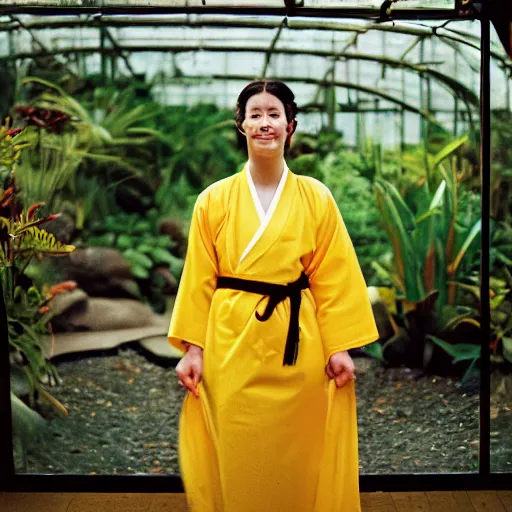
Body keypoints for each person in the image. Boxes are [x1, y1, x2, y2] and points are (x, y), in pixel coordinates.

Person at [168, 80, 378, 512]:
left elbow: (333, 277)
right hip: (231, 346)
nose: (265, 123)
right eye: (255, 114)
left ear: (290, 125)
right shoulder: (213, 200)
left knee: (299, 452)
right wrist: (193, 349)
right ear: (241, 127)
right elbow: (199, 279)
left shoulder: (316, 197)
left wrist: (339, 348)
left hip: (297, 345)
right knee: (237, 446)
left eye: (274, 114)